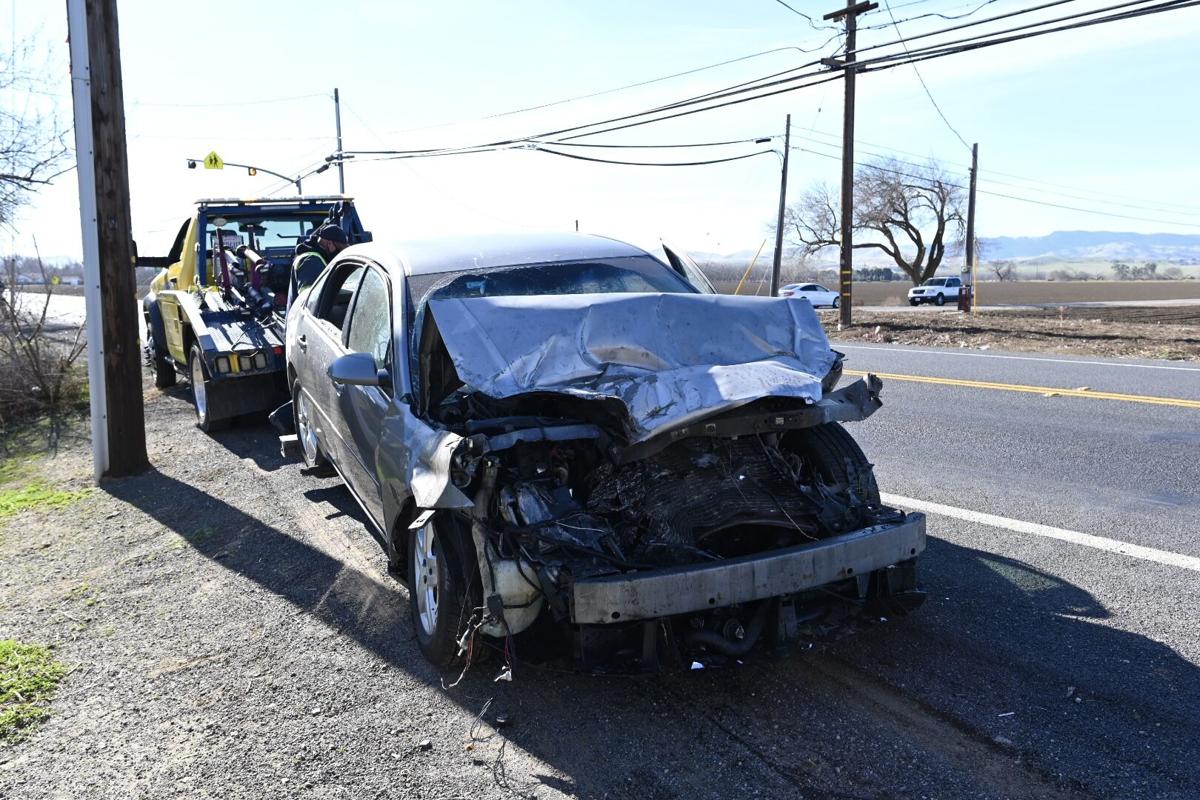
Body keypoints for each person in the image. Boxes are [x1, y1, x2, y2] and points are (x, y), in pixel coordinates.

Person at [288, 224, 349, 311]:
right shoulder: (311, 261)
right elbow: (310, 301)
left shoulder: (317, 257)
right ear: (330, 244)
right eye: (339, 249)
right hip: (302, 319)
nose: (339, 253)